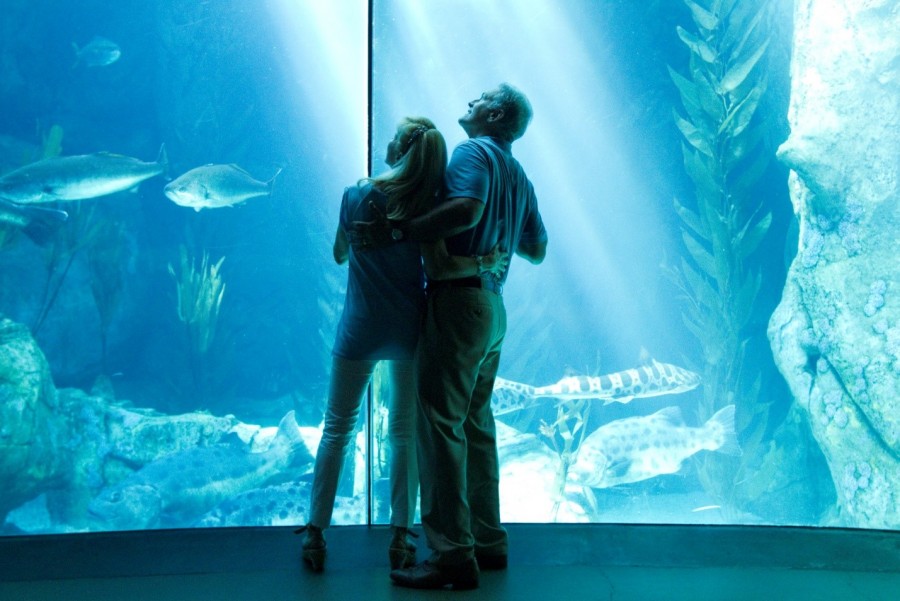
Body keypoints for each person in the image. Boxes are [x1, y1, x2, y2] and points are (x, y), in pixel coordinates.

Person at [298, 117, 507, 573]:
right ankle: (400, 536)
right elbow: (439, 268)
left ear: (403, 148)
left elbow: (338, 253)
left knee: (337, 428)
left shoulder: (356, 195)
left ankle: (315, 533)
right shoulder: (424, 207)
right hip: (409, 332)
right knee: (404, 433)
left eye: (394, 136)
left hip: (359, 328)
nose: (387, 141)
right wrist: (484, 262)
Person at [387, 84, 548, 590]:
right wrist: (499, 243)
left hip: (458, 302)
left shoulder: (473, 151)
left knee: (440, 426)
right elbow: (537, 247)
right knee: (477, 425)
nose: (470, 100)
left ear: (495, 114)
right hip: (493, 307)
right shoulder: (518, 173)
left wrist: (407, 226)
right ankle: (488, 540)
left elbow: (467, 210)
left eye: (480, 97)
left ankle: (451, 554)